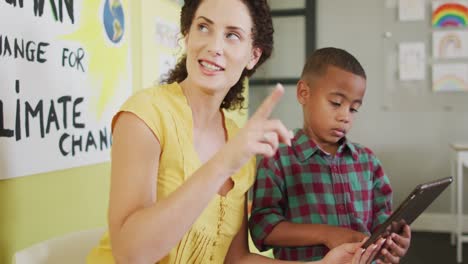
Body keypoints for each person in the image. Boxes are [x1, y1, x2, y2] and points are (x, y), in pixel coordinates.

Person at [87, 1, 385, 263]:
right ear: (187, 35)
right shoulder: (144, 114)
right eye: (203, 27)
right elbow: (131, 254)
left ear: (253, 55)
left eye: (232, 35)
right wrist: (223, 163)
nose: (214, 46)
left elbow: (236, 259)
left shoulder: (236, 135)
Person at [248, 47, 412, 263]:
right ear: (304, 93)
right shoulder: (278, 159)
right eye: (336, 103)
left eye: (353, 109)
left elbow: (383, 221)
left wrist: (393, 242)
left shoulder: (368, 162)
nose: (345, 117)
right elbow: (262, 228)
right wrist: (328, 234)